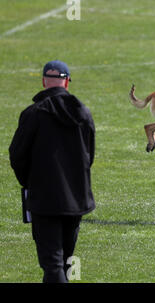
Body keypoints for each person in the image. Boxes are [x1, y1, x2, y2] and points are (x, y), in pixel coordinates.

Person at [9, 60, 96, 283]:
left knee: (52, 263)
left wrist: (31, 182)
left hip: (44, 199)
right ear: (67, 83)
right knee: (65, 260)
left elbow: (17, 156)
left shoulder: (33, 113)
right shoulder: (83, 113)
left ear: (43, 81)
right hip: (76, 199)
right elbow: (89, 156)